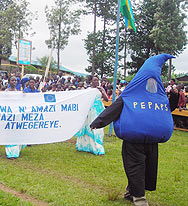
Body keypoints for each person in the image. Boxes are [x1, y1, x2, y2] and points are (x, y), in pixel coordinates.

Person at [90, 54, 177, 206]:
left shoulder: (159, 96)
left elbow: (169, 109)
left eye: (153, 81)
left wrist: (175, 97)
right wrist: (98, 123)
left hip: (151, 140)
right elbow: (114, 109)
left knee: (147, 167)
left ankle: (132, 191)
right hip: (134, 140)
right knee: (136, 166)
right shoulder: (130, 95)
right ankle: (139, 197)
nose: (151, 84)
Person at [75, 76, 108, 155]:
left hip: (98, 111)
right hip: (89, 111)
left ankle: (97, 146)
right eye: (95, 80)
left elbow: (106, 99)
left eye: (97, 80)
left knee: (98, 129)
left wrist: (103, 91)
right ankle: (85, 146)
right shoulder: (88, 90)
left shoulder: (100, 89)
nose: (96, 81)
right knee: (88, 127)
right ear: (91, 81)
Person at [5, 76, 25, 159]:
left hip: (16, 115)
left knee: (16, 132)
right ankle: (10, 153)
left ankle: (16, 151)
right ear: (9, 82)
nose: (14, 82)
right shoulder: (6, 92)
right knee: (10, 133)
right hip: (9, 115)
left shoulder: (19, 92)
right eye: (12, 80)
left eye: (15, 80)